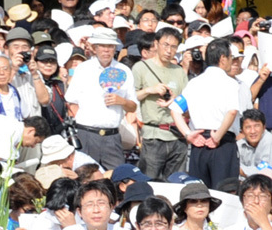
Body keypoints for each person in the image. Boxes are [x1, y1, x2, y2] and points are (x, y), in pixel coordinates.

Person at [170, 38, 251, 188]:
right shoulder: (230, 83)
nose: (231, 61)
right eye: (230, 57)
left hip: (198, 142)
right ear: (222, 58)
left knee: (199, 193)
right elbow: (232, 111)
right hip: (222, 143)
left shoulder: (194, 83)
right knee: (225, 193)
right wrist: (218, 136)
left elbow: (175, 109)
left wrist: (188, 134)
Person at [65, 27, 138, 170]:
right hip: (86, 134)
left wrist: (121, 101)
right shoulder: (83, 69)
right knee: (85, 177)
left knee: (116, 177)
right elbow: (71, 102)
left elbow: (133, 106)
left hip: (112, 136)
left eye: (110, 46)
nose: (106, 50)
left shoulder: (124, 71)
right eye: (102, 46)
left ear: (115, 48)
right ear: (94, 48)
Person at [133, 27, 188, 180]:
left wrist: (175, 99)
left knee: (176, 182)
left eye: (174, 46)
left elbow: (188, 102)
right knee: (150, 182)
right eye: (165, 45)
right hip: (153, 135)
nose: (169, 50)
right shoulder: (141, 68)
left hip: (177, 135)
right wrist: (150, 90)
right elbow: (132, 97)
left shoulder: (179, 71)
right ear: (156, 44)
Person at [238, 108, 272, 176]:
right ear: (242, 130)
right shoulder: (238, 145)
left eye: (257, 126)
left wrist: (243, 172)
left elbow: (266, 172)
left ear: (264, 127)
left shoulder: (269, 140)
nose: (253, 131)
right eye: (248, 127)